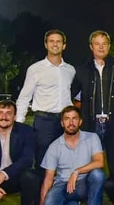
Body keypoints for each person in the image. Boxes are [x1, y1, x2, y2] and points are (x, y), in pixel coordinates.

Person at [37, 106, 106, 205]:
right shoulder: (54, 146)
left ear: (80, 121)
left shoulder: (92, 137)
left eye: (74, 118)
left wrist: (77, 172)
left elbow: (99, 162)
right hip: (63, 186)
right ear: (62, 123)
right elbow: (48, 179)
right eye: (67, 119)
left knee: (98, 174)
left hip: (85, 184)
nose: (71, 122)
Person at [15, 29, 76, 168]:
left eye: (58, 41)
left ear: (64, 45)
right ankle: (42, 183)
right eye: (51, 41)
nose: (55, 44)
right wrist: (19, 123)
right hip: (44, 122)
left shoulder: (70, 70)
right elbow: (24, 97)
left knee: (67, 162)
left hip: (66, 121)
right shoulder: (35, 69)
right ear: (46, 44)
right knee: (43, 162)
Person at [71, 30, 114, 149]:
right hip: (90, 125)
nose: (101, 47)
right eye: (97, 44)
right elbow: (72, 96)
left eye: (104, 44)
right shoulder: (82, 69)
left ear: (109, 46)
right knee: (91, 158)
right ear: (91, 46)